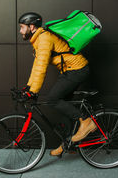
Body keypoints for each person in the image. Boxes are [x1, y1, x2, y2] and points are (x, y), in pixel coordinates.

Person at [18, 12, 96, 156]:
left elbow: (42, 67)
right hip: (70, 71)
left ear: (32, 27)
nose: (20, 31)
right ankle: (68, 144)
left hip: (77, 70)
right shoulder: (39, 39)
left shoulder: (44, 39)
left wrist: (34, 91)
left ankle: (86, 121)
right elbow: (37, 66)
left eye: (22, 27)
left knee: (52, 99)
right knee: (64, 108)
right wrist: (29, 87)